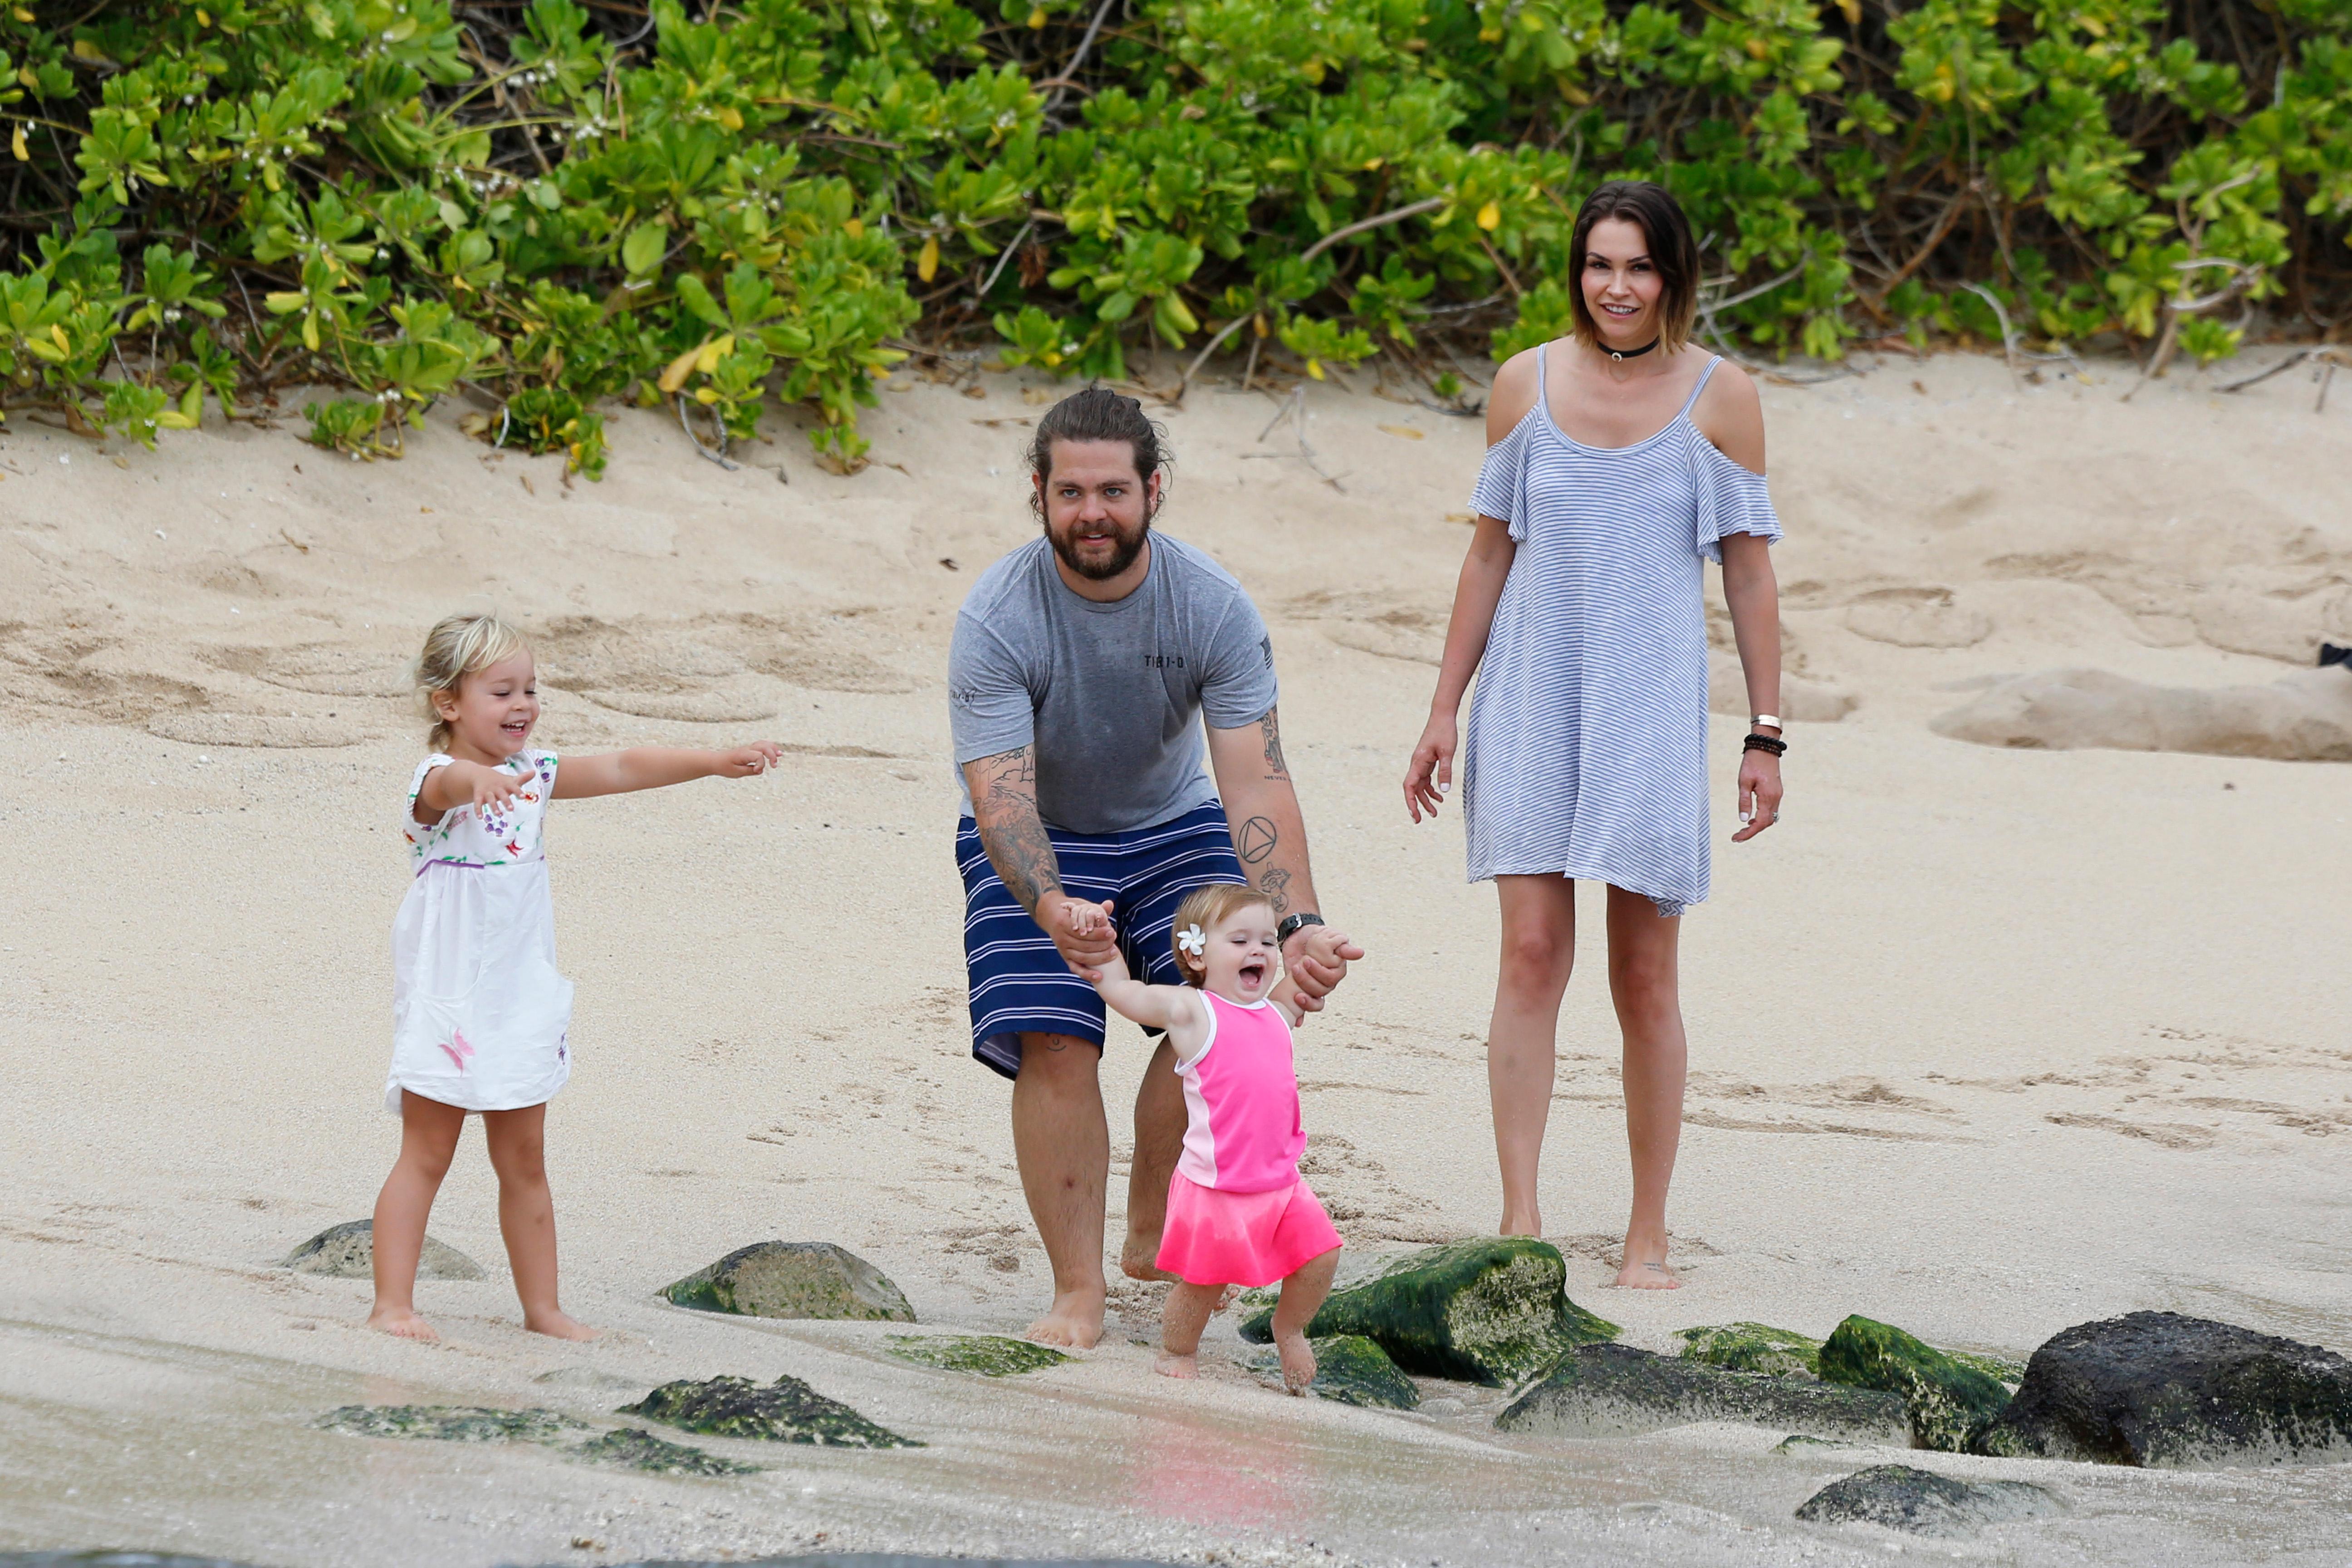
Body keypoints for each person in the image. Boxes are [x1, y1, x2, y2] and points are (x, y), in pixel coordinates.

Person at [1401, 180, 1787, 1289]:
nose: (1615, 288)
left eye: (1639, 267)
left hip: (1648, 711)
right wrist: (1441, 708)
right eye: (1598, 265)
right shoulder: (1523, 383)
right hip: (1529, 694)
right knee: (1528, 952)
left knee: (1644, 975)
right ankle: (1520, 1219)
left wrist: (1765, 734)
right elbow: (1488, 552)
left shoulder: (1723, 397)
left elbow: (1750, 576)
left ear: (1674, 275)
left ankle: (1646, 1231)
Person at [949, 385, 1362, 1348]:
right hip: (1038, 836)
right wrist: (1050, 904)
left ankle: (1151, 1216)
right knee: (1056, 1040)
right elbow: (1001, 796)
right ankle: (1076, 1293)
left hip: (1172, 826)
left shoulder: (1211, 606)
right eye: (1070, 493)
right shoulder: (999, 616)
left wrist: (1298, 924)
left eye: (1113, 491)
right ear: (1041, 497)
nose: (1092, 512)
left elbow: (1256, 782)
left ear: (1154, 491)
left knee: (1223, 1012)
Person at [370, 612, 781, 1342]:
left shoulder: (533, 777)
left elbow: (623, 766)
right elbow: (449, 783)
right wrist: (479, 779)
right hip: (451, 1001)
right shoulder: (438, 781)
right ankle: (393, 1305)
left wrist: (713, 760)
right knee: (427, 1153)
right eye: (501, 692)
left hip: (520, 995)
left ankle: (544, 1309)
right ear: (448, 703)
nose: (523, 704)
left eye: (530, 689)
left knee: (525, 1160)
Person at [1073, 884, 1349, 1390]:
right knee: (1204, 1282)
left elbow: (1303, 982)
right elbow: (1124, 993)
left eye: (1267, 942)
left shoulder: (1275, 1013)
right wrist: (1104, 949)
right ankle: (1177, 1350)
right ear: (1196, 953)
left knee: (1321, 1257)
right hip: (1215, 1187)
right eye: (1240, 940)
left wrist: (1323, 949)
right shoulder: (1194, 1012)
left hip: (1281, 1182)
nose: (1259, 952)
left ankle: (1289, 1329)